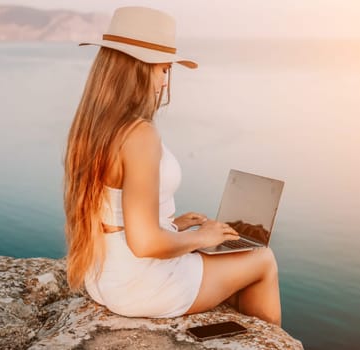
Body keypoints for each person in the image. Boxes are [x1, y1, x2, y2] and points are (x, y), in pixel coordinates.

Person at [63, 6, 281, 326]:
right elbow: (146, 243)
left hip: (104, 277)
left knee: (230, 269)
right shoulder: (139, 134)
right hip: (140, 285)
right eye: (163, 69)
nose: (165, 82)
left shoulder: (94, 125)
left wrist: (174, 225)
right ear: (139, 69)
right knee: (263, 260)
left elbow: (114, 215)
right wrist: (202, 238)